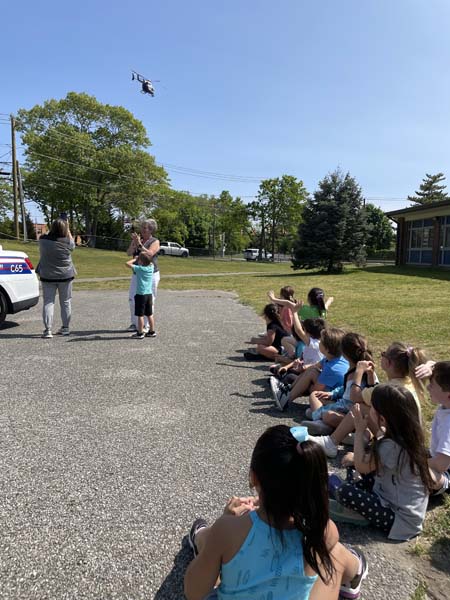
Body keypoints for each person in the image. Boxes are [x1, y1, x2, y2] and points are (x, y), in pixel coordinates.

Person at [184, 425, 368, 600]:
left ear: (253, 477)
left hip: (226, 547)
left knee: (216, 553)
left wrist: (224, 521)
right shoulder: (323, 531)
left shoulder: (228, 530)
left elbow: (194, 592)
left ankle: (202, 539)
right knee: (334, 556)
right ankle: (355, 571)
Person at [330, 385, 433, 540]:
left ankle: (355, 512)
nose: (369, 410)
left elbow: (361, 466)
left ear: (383, 418)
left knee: (345, 490)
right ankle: (349, 498)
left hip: (399, 520)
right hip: (393, 497)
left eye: (372, 407)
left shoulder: (391, 446)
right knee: (357, 476)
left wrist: (359, 431)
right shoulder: (408, 438)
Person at [308, 342, 428, 458]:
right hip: (409, 444)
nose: (381, 356)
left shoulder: (387, 390)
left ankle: (332, 442)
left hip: (395, 448)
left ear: (388, 362)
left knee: (360, 407)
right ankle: (351, 436)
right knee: (367, 407)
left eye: (383, 354)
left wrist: (359, 373)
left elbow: (355, 397)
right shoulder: (410, 383)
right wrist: (371, 376)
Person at [270, 327, 348, 411]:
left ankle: (286, 399)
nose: (319, 343)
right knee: (311, 370)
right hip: (330, 390)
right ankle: (288, 390)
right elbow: (315, 366)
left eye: (321, 342)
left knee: (308, 376)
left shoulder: (332, 368)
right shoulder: (334, 357)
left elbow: (316, 390)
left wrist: (303, 385)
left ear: (327, 349)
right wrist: (303, 367)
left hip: (335, 398)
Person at [306, 333, 374, 429]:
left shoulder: (358, 372)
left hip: (352, 412)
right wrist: (332, 394)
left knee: (327, 415)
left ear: (344, 353)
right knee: (315, 396)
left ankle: (321, 422)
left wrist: (321, 411)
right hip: (346, 407)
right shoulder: (358, 367)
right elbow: (345, 388)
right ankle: (320, 419)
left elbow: (349, 402)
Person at [38, 217, 76, 339]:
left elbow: (48, 235)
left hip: (48, 276)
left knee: (48, 302)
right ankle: (65, 328)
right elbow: (73, 245)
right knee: (65, 302)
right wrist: (68, 228)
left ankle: (48, 329)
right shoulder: (67, 242)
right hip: (66, 275)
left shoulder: (43, 240)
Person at [127, 219, 160, 335]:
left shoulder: (155, 241)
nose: (142, 229)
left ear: (151, 230)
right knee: (132, 299)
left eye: (145, 228)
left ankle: (146, 326)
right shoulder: (138, 240)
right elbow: (128, 252)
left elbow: (150, 254)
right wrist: (133, 243)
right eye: (142, 227)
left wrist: (140, 245)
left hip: (150, 275)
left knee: (148, 301)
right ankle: (135, 323)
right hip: (137, 273)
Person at [427, 361, 450, 495]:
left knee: (413, 469)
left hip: (445, 474)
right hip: (437, 459)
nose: (428, 388)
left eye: (432, 385)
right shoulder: (445, 408)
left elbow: (441, 465)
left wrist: (415, 463)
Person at [126, 253, 154, 339]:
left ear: (141, 261)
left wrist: (135, 259)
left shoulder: (139, 269)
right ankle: (152, 331)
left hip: (141, 295)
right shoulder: (151, 267)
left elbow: (127, 264)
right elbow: (151, 262)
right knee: (149, 314)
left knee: (140, 315)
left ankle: (140, 333)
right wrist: (143, 258)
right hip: (149, 294)